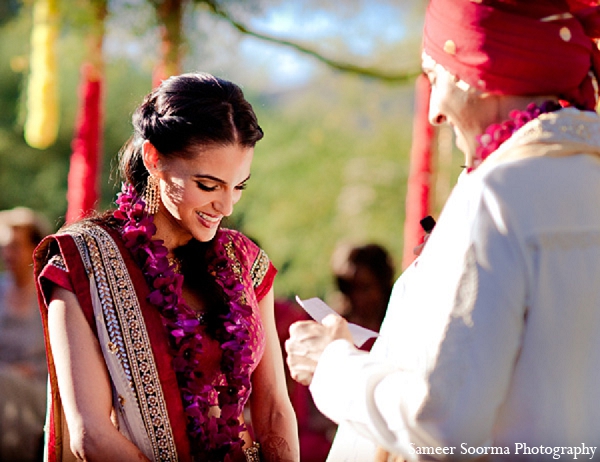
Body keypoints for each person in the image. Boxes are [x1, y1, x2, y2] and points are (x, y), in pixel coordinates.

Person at [285, 1, 600, 460]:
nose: (434, 110)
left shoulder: (497, 195)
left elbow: (442, 425)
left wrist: (333, 366)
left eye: (435, 75)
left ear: (478, 73)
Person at [34, 73, 299, 462]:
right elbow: (90, 434)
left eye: (238, 186)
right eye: (209, 186)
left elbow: (274, 408)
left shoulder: (243, 263)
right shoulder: (84, 261)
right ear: (154, 159)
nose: (226, 207)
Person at [0, 207, 51, 461]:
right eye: (5, 246)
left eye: (15, 246)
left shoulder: (49, 295)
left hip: (36, 387)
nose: (7, 254)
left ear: (34, 249)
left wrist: (28, 370)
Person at [328, 242, 395, 350]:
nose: (358, 297)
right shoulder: (336, 326)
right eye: (350, 288)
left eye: (365, 288)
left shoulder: (399, 324)